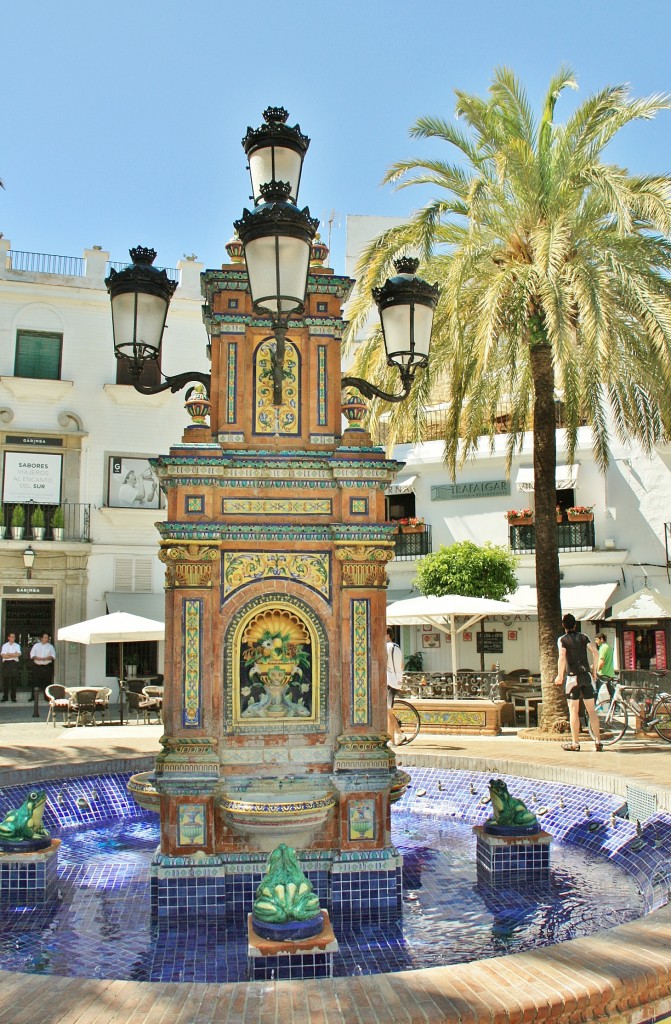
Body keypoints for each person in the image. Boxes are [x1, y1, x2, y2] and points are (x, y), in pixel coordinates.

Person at [555, 613, 601, 752]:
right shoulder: (584, 637)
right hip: (586, 676)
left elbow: (562, 657)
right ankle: (598, 741)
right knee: (591, 710)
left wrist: (559, 676)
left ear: (564, 625)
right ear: (575, 624)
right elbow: (595, 652)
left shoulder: (562, 639)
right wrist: (594, 672)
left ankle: (575, 743)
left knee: (573, 710)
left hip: (573, 677)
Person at [386, 627, 404, 744]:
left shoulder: (386, 647)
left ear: (387, 635)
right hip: (397, 681)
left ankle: (394, 738)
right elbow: (402, 665)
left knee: (388, 711)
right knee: (388, 711)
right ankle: (396, 735)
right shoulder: (397, 647)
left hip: (389, 681)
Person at [29, 633, 56, 699]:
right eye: (45, 637)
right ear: (41, 638)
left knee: (46, 682)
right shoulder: (36, 646)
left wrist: (45, 658)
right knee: (35, 681)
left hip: (46, 666)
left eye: (47, 637)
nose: (47, 639)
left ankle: (47, 697)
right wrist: (37, 658)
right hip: (37, 666)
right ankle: (33, 697)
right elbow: (32, 655)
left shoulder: (50, 646)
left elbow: (53, 656)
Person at [1, 632, 21, 703]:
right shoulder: (5, 645)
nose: (13, 638)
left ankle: (13, 697)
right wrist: (13, 654)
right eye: (12, 637)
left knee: (14, 682)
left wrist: (9, 654)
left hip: (14, 664)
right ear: (8, 637)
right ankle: (5, 697)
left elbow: (18, 654)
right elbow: (3, 655)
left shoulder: (17, 645)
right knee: (6, 682)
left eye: (14, 637)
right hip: (6, 664)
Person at [595, 633, 616, 699]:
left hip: (603, 674)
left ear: (601, 639)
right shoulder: (609, 647)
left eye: (597, 640)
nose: (596, 642)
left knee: (595, 692)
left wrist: (596, 671)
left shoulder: (603, 648)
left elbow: (602, 662)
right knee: (612, 694)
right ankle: (615, 707)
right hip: (610, 674)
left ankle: (593, 707)